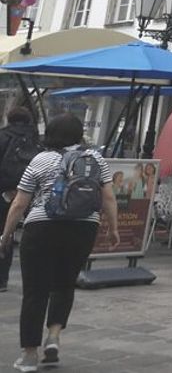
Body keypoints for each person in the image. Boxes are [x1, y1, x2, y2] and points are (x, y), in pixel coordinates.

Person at [0, 112, 118, 373]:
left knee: (35, 290)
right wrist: (113, 229)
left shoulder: (40, 159)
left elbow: (20, 202)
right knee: (65, 284)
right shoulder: (96, 159)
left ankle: (29, 355)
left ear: (50, 134)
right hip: (83, 227)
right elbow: (108, 198)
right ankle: (53, 336)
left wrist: (6, 234)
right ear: (79, 135)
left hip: (41, 227)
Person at [0, 107, 39, 292]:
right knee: (8, 232)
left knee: (3, 230)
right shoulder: (35, 139)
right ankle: (2, 279)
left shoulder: (3, 136)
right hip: (27, 192)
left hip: (3, 190)